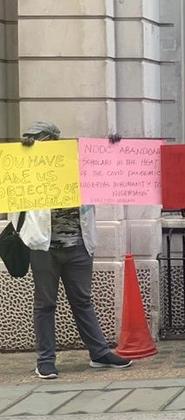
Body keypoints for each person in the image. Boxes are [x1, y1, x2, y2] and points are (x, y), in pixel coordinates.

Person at [9, 121, 131, 379]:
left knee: (83, 301)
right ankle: (45, 360)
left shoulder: (78, 164)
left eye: (38, 139)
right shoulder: (27, 168)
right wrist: (24, 153)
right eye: (32, 141)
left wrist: (112, 147)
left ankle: (99, 353)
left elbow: (106, 171)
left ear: (53, 140)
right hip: (43, 247)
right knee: (45, 304)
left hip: (78, 245)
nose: (35, 144)